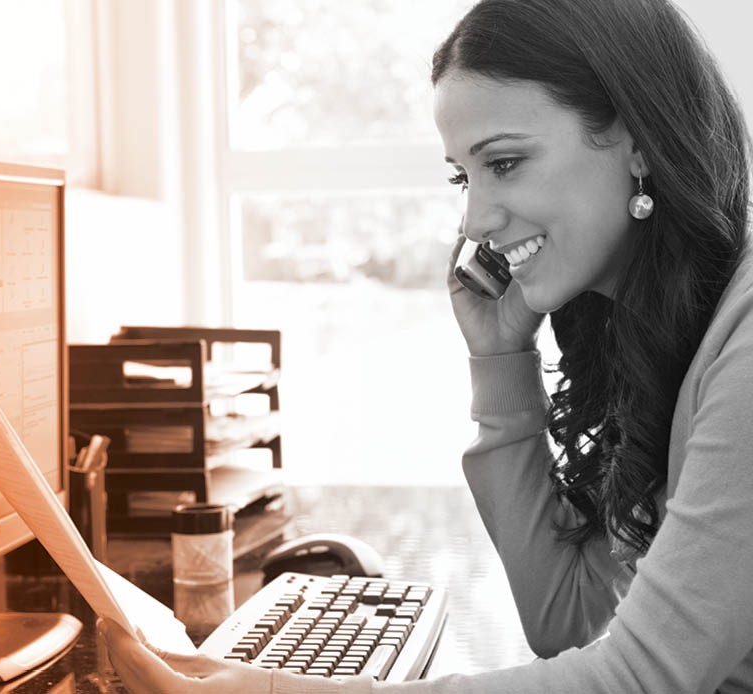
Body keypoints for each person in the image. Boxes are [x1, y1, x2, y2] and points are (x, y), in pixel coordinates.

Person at [100, 0, 753, 691]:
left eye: (504, 163)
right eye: (463, 176)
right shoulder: (662, 328)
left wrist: (265, 690)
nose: (474, 219)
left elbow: (644, 679)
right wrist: (500, 361)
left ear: (640, 141)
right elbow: (566, 618)